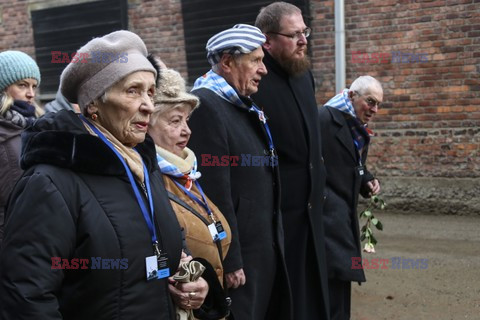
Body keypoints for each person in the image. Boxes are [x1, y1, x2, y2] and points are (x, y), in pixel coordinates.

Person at [0, 30, 208, 320]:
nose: (148, 104)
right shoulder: (49, 183)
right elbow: (26, 296)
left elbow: (166, 244)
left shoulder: (143, 166)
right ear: (94, 104)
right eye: (133, 90)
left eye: (151, 92)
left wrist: (188, 280)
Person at [188, 24, 293, 320]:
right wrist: (230, 258)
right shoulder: (207, 106)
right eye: (256, 61)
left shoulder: (238, 103)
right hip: (241, 258)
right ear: (227, 62)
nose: (264, 70)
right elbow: (213, 192)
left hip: (261, 250)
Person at [253, 2, 330, 319]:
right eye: (294, 34)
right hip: (280, 219)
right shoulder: (254, 84)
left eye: (304, 31)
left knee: (316, 296)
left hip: (312, 212)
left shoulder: (303, 74)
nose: (303, 40)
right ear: (267, 41)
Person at [148, 68, 231, 319]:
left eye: (186, 120)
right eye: (175, 121)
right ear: (146, 124)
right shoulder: (149, 183)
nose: (187, 131)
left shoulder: (186, 174)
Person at [319, 75, 382, 320]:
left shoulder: (358, 129)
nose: (374, 110)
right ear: (352, 95)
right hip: (325, 219)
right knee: (330, 285)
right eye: (370, 101)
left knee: (341, 283)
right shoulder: (324, 118)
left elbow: (353, 163)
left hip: (343, 217)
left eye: (378, 105)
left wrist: (366, 179)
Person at [0, 50, 42, 246]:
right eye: (22, 85)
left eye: (34, 86)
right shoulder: (6, 132)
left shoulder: (32, 125)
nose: (31, 94)